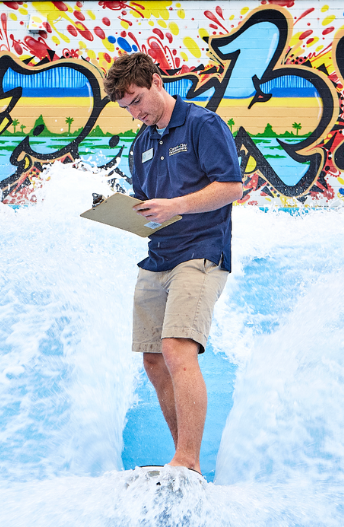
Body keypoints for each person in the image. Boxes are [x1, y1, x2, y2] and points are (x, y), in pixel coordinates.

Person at [103, 53, 243, 474]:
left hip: (201, 252)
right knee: (152, 358)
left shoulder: (202, 124)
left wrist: (177, 205)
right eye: (126, 107)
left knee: (177, 347)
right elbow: (150, 208)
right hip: (157, 257)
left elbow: (232, 187)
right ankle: (179, 457)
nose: (134, 113)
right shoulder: (141, 143)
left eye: (137, 100)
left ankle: (188, 462)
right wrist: (125, 213)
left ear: (157, 81)